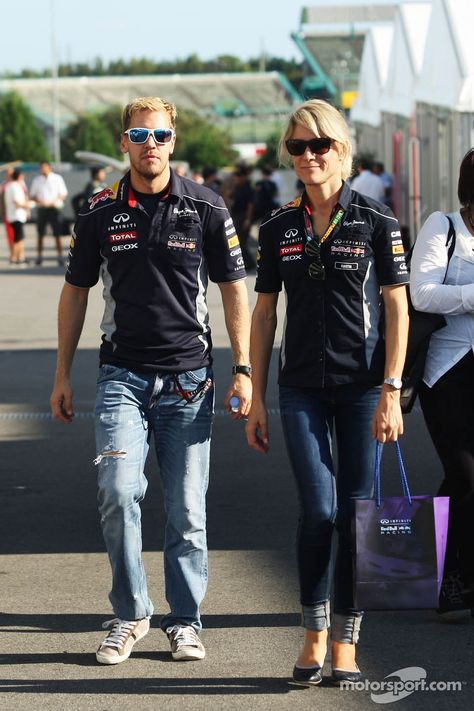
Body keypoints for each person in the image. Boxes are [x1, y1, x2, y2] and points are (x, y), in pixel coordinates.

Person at [50, 96, 252, 666]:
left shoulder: (207, 207)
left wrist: (243, 368)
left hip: (189, 379)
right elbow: (76, 292)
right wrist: (62, 374)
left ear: (173, 141)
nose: (150, 146)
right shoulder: (97, 211)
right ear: (124, 144)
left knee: (187, 510)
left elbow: (235, 289)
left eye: (160, 136)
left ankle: (184, 621)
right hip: (121, 377)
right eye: (139, 137)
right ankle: (131, 613)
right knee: (116, 492)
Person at [245, 99, 409, 687]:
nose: (308, 157)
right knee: (318, 510)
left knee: (356, 515)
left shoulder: (377, 220)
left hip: (363, 386)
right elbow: (264, 315)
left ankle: (346, 642)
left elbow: (396, 306)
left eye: (320, 146)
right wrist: (255, 392)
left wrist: (391, 388)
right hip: (300, 390)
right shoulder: (277, 226)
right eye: (297, 147)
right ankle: (313, 634)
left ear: (343, 151)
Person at [410, 147, 474, 621]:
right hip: (447, 370)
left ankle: (448, 572)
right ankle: (446, 574)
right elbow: (422, 292)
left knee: (464, 481)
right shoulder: (444, 226)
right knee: (466, 473)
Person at [29, 161, 68, 266]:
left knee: (57, 233)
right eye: (41, 168)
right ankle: (39, 256)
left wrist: (53, 202)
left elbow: (63, 193)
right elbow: (32, 195)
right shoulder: (37, 180)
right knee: (40, 233)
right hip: (42, 208)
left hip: (54, 209)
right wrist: (41, 202)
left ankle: (60, 256)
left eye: (44, 167)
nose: (43, 170)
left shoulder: (57, 178)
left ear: (49, 168)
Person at [228, 164, 256, 272]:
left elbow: (250, 205)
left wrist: (248, 219)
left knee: (241, 242)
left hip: (243, 217)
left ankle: (249, 263)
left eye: (239, 176)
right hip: (237, 216)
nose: (237, 178)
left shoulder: (248, 187)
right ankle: (247, 262)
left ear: (244, 176)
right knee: (238, 241)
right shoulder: (237, 187)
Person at [4, 168, 29, 266]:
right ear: (19, 176)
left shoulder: (12, 186)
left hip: (16, 216)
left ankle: (19, 257)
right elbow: (17, 203)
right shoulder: (14, 186)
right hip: (16, 216)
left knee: (19, 238)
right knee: (18, 238)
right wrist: (27, 205)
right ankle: (15, 257)